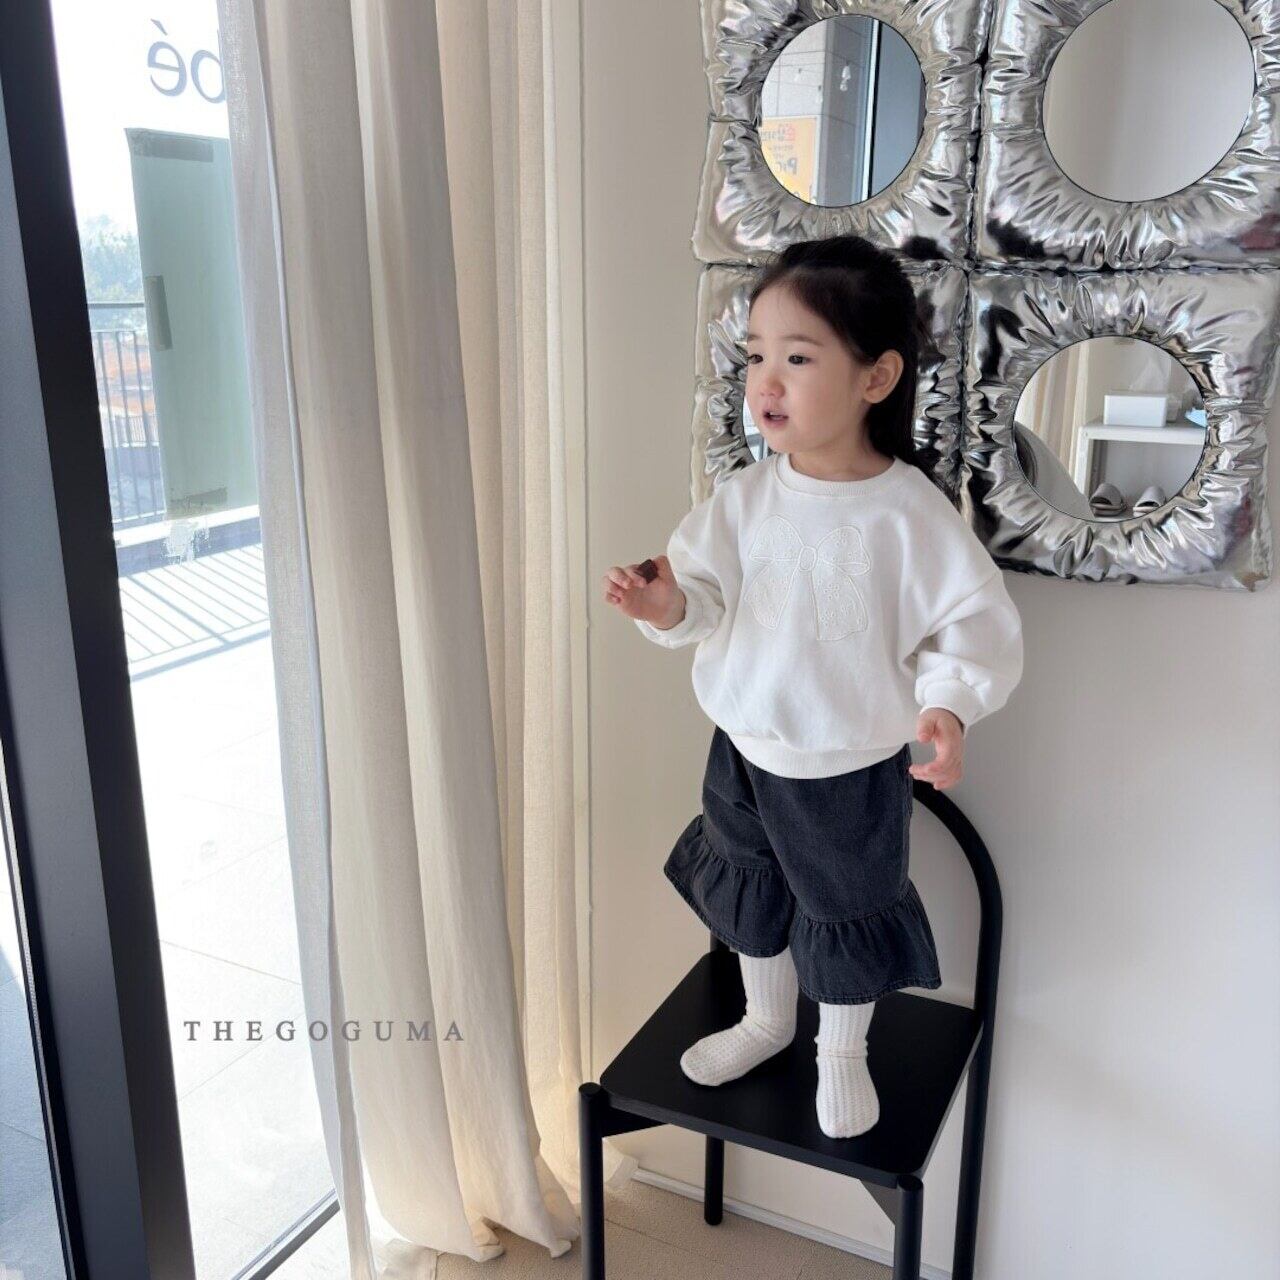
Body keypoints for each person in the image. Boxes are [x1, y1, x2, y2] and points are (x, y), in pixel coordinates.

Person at [602, 234, 1024, 1139]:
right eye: (757, 355)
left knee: (843, 911)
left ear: (876, 377)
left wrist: (948, 706)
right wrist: (664, 603)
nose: (768, 381)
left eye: (797, 358)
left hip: (847, 766)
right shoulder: (744, 498)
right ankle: (766, 1019)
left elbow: (968, 622)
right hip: (742, 750)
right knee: (749, 887)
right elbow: (702, 599)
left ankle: (841, 1051)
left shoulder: (910, 514)